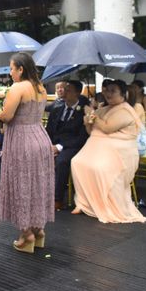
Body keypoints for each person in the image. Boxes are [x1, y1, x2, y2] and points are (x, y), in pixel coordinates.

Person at [0, 52, 54, 253]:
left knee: (20, 185)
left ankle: (26, 235)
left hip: (22, 139)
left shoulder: (18, 87)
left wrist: (0, 112)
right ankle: (39, 231)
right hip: (40, 137)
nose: (11, 73)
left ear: (21, 69)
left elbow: (8, 116)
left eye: (12, 68)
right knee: (37, 185)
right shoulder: (41, 88)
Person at [71, 80, 146, 223]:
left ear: (123, 94)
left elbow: (107, 128)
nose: (108, 94)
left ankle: (105, 205)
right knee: (77, 162)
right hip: (98, 149)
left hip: (120, 152)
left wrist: (92, 114)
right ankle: (83, 203)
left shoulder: (126, 111)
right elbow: (91, 131)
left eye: (113, 91)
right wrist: (88, 121)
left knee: (101, 168)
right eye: (107, 90)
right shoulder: (103, 109)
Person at [45, 80, 89, 210]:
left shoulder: (83, 112)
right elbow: (49, 130)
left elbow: (81, 138)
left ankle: (57, 199)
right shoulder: (57, 109)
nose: (64, 91)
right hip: (53, 143)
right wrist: (46, 144)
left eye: (69, 89)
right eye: (64, 89)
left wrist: (59, 147)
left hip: (72, 146)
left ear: (77, 92)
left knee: (62, 161)